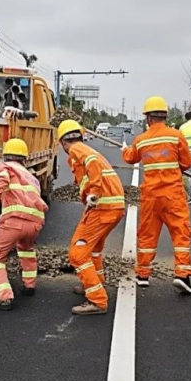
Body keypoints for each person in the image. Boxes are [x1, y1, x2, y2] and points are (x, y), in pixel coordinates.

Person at [122, 95, 191, 294]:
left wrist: (124, 150)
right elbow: (187, 163)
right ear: (164, 116)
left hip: (151, 196)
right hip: (173, 195)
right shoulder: (176, 136)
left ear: (148, 118)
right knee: (181, 233)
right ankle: (182, 275)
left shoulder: (141, 140)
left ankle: (143, 275)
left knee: (147, 234)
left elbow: (130, 158)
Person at [57, 119, 126, 315]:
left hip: (103, 208)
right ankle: (95, 283)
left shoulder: (77, 149)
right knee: (94, 249)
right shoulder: (84, 150)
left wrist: (94, 192)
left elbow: (91, 164)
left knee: (77, 253)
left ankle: (97, 300)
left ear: (63, 141)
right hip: (112, 207)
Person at [0, 138, 49, 311]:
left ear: (6, 155)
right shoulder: (32, 178)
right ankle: (29, 286)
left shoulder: (4, 166)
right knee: (26, 251)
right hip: (35, 223)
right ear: (24, 158)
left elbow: (1, 182)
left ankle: (4, 298)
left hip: (14, 222)